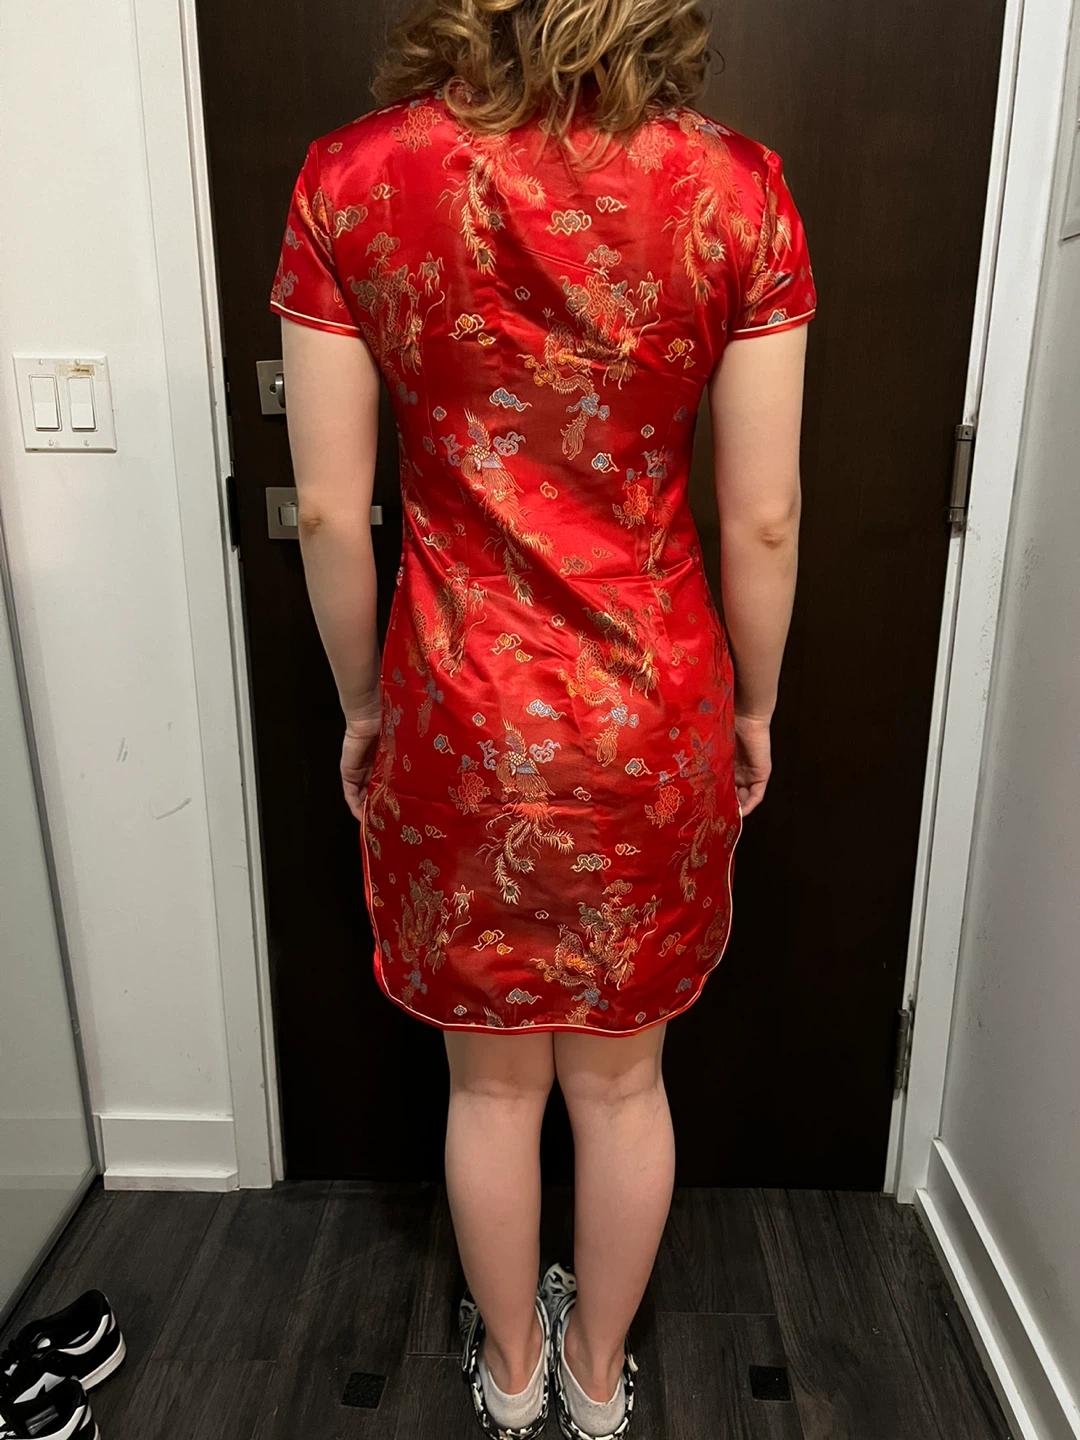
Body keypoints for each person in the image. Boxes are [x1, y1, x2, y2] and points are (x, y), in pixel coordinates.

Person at [270, 1, 815, 1434]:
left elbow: (327, 508)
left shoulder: (351, 177)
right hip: (652, 709)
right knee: (624, 1087)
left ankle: (509, 1379)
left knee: (492, 1089)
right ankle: (596, 1378)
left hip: (459, 708)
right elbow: (763, 517)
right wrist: (757, 705)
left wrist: (363, 705)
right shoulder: (737, 191)